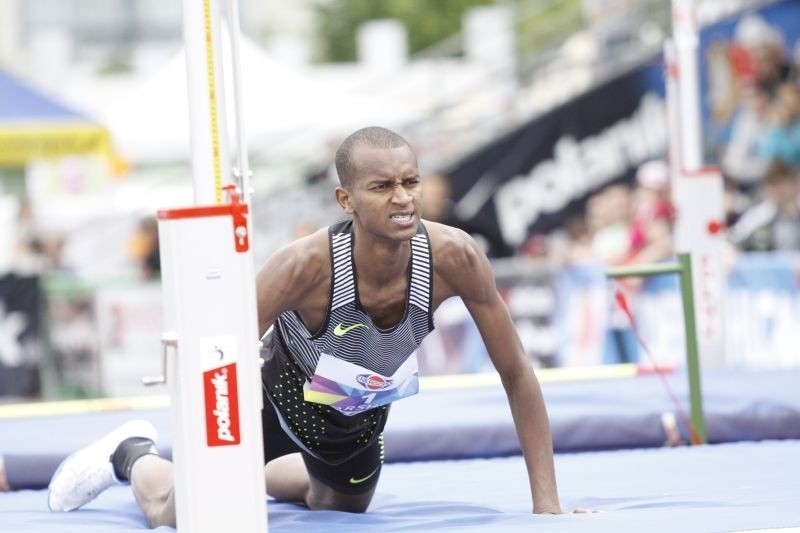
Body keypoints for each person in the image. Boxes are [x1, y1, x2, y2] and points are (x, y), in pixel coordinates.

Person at [46, 127, 586, 527]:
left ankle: (253, 479)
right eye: (381, 187)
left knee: (337, 504)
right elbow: (216, 360)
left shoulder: (454, 257)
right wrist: (211, 451)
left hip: (354, 419)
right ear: (346, 200)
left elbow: (516, 372)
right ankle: (131, 453)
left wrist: (547, 506)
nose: (402, 198)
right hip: (271, 398)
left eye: (410, 182)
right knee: (177, 514)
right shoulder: (303, 267)